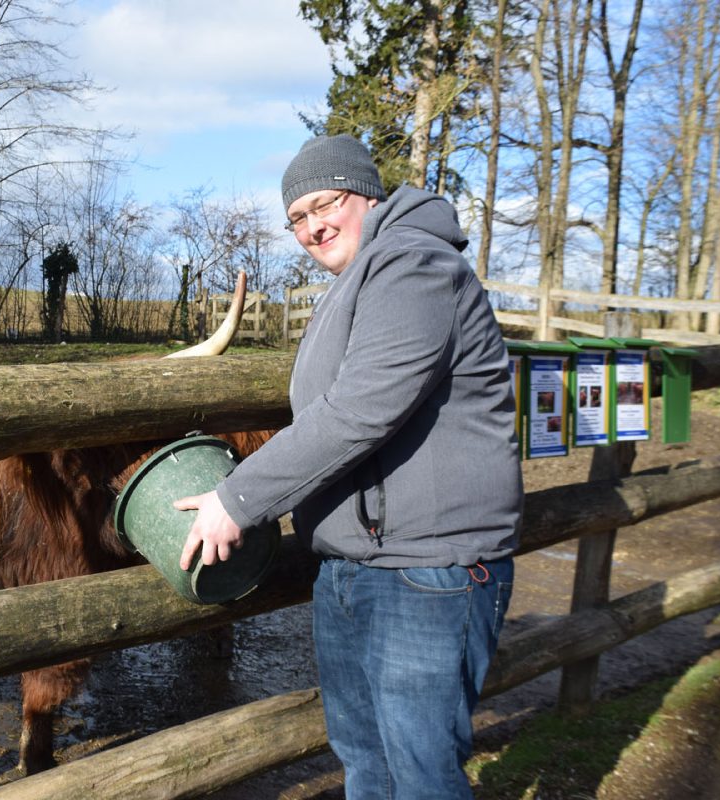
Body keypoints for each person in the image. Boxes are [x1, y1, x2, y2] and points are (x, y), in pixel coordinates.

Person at [174, 133, 523, 799]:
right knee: (366, 764)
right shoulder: (352, 281)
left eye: (324, 204)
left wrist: (237, 498)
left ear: (365, 193)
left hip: (429, 571)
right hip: (356, 567)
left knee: (421, 777)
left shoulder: (415, 265)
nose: (312, 226)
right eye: (297, 218)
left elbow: (361, 409)